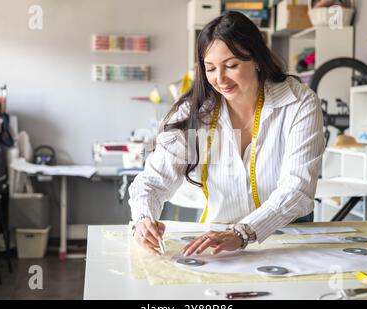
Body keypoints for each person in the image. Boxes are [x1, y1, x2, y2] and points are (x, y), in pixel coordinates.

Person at [129, 11, 324, 257]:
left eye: (231, 65)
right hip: (218, 243)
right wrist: (143, 220)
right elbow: (152, 182)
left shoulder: (298, 103)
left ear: (256, 59)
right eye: (210, 68)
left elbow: (298, 187)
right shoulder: (195, 113)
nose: (220, 79)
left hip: (287, 240)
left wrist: (243, 232)